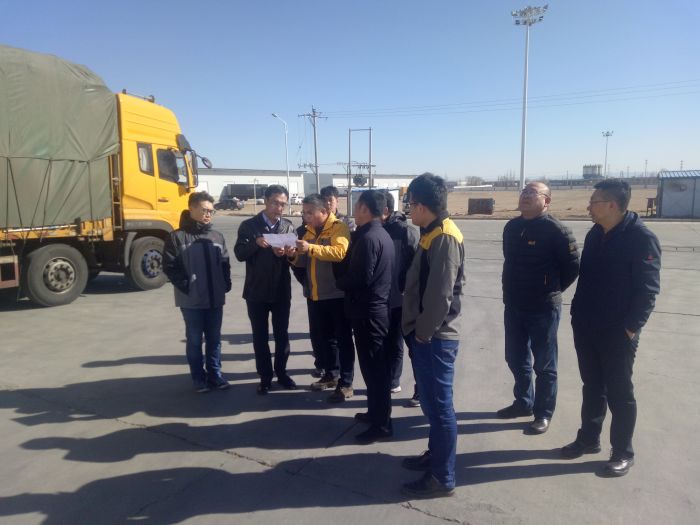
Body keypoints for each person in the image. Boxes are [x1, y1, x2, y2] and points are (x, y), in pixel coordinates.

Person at [561, 179, 661, 477]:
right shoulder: (595, 233)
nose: (589, 206)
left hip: (618, 332)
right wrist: (577, 314)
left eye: (594, 202)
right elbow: (587, 278)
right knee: (592, 386)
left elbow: (648, 291)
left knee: (620, 392)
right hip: (587, 326)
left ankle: (622, 452)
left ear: (612, 205)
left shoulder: (641, 238)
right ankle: (588, 439)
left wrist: (630, 328)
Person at [400, 174, 465, 499]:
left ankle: (442, 476)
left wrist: (422, 334)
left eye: (410, 204)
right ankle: (435, 455)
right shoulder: (431, 232)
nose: (408, 209)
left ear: (422, 206)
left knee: (440, 409)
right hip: (426, 335)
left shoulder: (445, 237)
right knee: (430, 403)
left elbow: (441, 296)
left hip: (436, 338)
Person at [497, 182, 580, 434]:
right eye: (524, 192)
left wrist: (549, 289)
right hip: (514, 304)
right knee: (515, 358)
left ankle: (543, 413)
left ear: (547, 201)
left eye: (532, 193)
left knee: (544, 364)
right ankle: (524, 402)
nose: (525, 196)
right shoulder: (512, 227)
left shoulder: (557, 230)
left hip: (543, 308)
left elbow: (572, 268)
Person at [336, 190, 395, 444]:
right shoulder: (380, 233)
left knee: (375, 372)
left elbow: (360, 278)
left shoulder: (369, 238)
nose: (354, 211)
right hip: (374, 311)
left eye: (356, 206)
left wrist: (339, 279)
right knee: (373, 370)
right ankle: (375, 414)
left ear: (364, 209)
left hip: (369, 314)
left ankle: (382, 425)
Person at [163, 191, 232, 393]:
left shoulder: (217, 236)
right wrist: (186, 285)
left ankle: (215, 375)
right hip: (191, 300)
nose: (208, 214)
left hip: (215, 299)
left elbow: (225, 263)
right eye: (204, 210)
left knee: (215, 340)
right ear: (191, 208)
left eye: (211, 211)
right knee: (194, 341)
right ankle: (198, 378)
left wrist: (225, 283)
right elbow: (169, 266)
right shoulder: (177, 237)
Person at [290, 194, 356, 403]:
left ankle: (346, 382)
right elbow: (302, 263)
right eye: (304, 212)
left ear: (324, 211)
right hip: (315, 294)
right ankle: (331, 374)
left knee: (343, 339)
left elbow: (339, 253)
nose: (306, 216)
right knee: (324, 339)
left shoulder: (339, 228)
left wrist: (310, 248)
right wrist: (291, 255)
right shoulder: (307, 231)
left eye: (310, 212)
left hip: (336, 294)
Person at [234, 185, 297, 395]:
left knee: (282, 335)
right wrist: (256, 243)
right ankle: (265, 377)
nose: (279, 208)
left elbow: (295, 258)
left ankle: (282, 373)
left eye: (283, 204)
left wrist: (290, 254)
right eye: (275, 203)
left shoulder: (288, 226)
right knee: (260, 337)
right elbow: (240, 254)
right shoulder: (249, 226)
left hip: (281, 291)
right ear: (266, 201)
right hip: (256, 291)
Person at [381, 191, 419, 404]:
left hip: (405, 300)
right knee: (391, 343)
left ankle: (421, 389)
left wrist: (405, 289)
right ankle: (393, 381)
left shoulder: (405, 231)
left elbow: (416, 266)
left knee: (414, 348)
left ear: (385, 210)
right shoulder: (377, 229)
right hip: (386, 300)